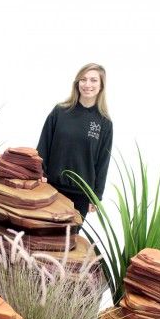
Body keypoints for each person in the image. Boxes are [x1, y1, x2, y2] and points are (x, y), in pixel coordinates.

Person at [37, 63, 113, 219]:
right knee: (43, 239)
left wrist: (96, 195)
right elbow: (43, 146)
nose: (87, 85)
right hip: (51, 188)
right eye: (83, 79)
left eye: (93, 80)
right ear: (77, 83)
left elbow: (103, 162)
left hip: (81, 195)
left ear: (101, 86)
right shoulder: (60, 112)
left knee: (69, 242)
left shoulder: (104, 123)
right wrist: (39, 173)